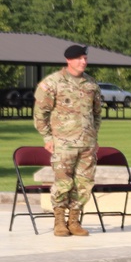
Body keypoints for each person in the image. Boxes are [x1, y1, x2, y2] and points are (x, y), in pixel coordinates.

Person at [33, 44, 102, 237]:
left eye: (85, 58)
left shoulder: (91, 84)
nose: (83, 62)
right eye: (80, 58)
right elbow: (40, 114)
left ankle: (74, 221)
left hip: (87, 144)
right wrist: (47, 137)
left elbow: (97, 114)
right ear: (69, 60)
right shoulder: (53, 83)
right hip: (63, 143)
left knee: (84, 183)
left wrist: (94, 136)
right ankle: (59, 222)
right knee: (63, 183)